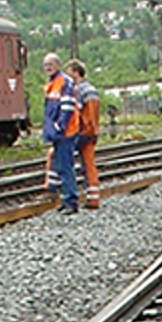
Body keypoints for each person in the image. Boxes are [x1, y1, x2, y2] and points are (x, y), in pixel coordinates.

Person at [40, 52, 79, 215]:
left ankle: (71, 201)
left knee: (65, 165)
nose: (48, 67)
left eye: (50, 64)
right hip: (58, 132)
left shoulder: (64, 82)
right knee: (60, 166)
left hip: (66, 132)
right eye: (45, 65)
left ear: (57, 65)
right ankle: (66, 199)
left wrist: (59, 126)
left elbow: (67, 107)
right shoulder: (52, 83)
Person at [66, 59, 100, 210]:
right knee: (89, 165)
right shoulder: (92, 89)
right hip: (92, 132)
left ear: (75, 72)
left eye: (69, 72)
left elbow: (75, 113)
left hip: (81, 132)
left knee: (60, 157)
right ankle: (93, 198)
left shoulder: (78, 90)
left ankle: (59, 192)